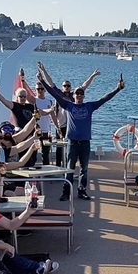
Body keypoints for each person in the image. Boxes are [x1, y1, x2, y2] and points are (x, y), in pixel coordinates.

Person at [38, 61, 125, 201]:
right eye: (77, 93)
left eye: (81, 93)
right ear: (74, 96)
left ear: (84, 96)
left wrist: (118, 89)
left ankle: (82, 191)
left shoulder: (90, 106)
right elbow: (54, 93)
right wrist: (42, 80)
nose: (79, 95)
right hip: (72, 143)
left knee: (84, 170)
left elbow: (105, 98)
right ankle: (66, 192)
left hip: (85, 143)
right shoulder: (68, 105)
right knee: (70, 168)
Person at [50, 70, 100, 169]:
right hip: (60, 126)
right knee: (59, 149)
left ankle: (67, 168)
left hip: (71, 128)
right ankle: (58, 167)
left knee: (69, 150)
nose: (67, 88)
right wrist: (43, 71)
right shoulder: (59, 95)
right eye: (65, 86)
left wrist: (92, 76)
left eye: (68, 86)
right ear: (62, 87)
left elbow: (84, 86)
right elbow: (51, 85)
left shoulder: (75, 96)